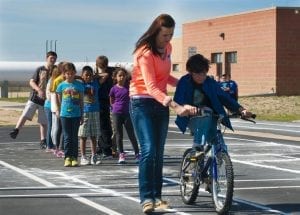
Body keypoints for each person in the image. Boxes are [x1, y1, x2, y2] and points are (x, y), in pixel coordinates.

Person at [129, 14, 187, 213]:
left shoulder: (168, 48)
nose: (168, 39)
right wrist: (175, 105)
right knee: (149, 149)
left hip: (160, 103)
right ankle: (146, 198)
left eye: (171, 35)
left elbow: (164, 77)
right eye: (164, 35)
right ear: (155, 32)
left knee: (159, 153)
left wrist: (185, 83)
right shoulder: (144, 53)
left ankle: (158, 197)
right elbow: (151, 86)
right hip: (142, 102)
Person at [173, 54, 252, 153]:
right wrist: (186, 106)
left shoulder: (210, 82)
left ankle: (219, 159)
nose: (201, 77)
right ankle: (197, 145)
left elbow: (225, 97)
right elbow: (178, 99)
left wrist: (241, 109)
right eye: (197, 74)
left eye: (203, 73)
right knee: (206, 112)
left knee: (218, 145)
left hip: (212, 118)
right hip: (191, 118)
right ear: (191, 72)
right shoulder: (184, 81)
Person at [9, 51, 57, 149]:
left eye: (54, 58)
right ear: (46, 58)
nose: (53, 60)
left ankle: (43, 140)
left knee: (43, 121)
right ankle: (16, 130)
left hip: (46, 100)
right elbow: (31, 82)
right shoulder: (40, 69)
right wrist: (38, 90)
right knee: (26, 113)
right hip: (35, 97)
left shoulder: (56, 70)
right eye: (51, 58)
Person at [56, 62, 84, 167]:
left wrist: (82, 114)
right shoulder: (61, 86)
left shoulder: (79, 85)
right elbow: (59, 101)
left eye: (72, 73)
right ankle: (67, 157)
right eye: (67, 73)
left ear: (75, 73)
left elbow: (81, 101)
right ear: (64, 74)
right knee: (67, 136)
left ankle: (74, 157)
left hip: (76, 114)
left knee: (74, 137)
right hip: (64, 115)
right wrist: (58, 111)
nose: (70, 75)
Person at [109, 68, 140, 164]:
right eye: (119, 75)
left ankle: (137, 154)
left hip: (127, 114)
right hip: (116, 114)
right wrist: (114, 107)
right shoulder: (113, 88)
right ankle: (121, 154)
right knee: (119, 135)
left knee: (131, 134)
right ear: (115, 77)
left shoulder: (129, 86)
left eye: (123, 75)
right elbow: (111, 99)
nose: (122, 77)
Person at [78, 65, 101, 166]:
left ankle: (94, 155)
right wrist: (79, 78)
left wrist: (95, 76)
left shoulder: (95, 83)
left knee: (93, 136)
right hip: (85, 112)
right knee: (83, 135)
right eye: (86, 75)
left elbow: (105, 75)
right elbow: (72, 78)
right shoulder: (81, 85)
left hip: (95, 111)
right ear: (82, 76)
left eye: (90, 75)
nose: (88, 77)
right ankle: (83, 156)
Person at [94, 55, 115, 157]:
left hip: (103, 101)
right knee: (102, 125)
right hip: (100, 101)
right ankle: (102, 146)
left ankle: (106, 148)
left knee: (104, 125)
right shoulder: (96, 74)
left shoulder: (107, 74)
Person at [50, 62, 65, 158]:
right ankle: (58, 148)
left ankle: (62, 147)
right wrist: (57, 109)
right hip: (60, 107)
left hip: (68, 107)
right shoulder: (58, 80)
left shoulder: (69, 79)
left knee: (64, 129)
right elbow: (54, 95)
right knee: (60, 128)